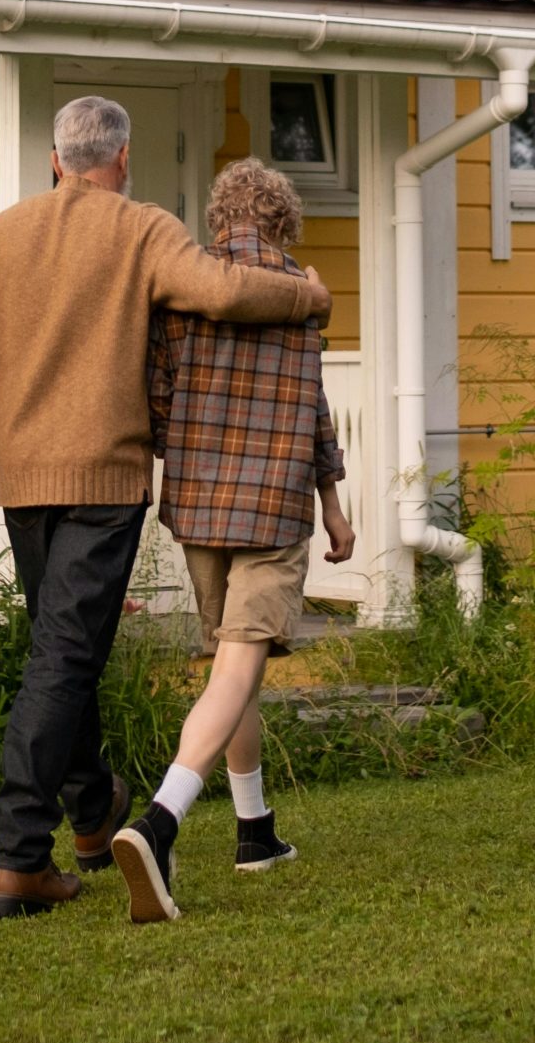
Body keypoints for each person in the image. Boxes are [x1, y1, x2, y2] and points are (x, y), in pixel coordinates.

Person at [0, 96, 332, 919]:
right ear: (122, 160)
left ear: (57, 159)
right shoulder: (143, 229)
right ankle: (20, 859)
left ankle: (93, 814)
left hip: (22, 480)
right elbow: (228, 292)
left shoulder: (1, 235)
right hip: (104, 482)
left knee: (67, 651)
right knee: (63, 659)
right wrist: (307, 300)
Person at [112, 156, 355, 925]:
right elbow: (313, 411)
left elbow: (155, 400)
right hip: (274, 505)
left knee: (230, 663)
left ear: (219, 220)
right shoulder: (303, 298)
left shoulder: (187, 293)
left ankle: (255, 831)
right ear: (285, 221)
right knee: (238, 666)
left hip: (202, 509)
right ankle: (162, 819)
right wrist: (334, 505)